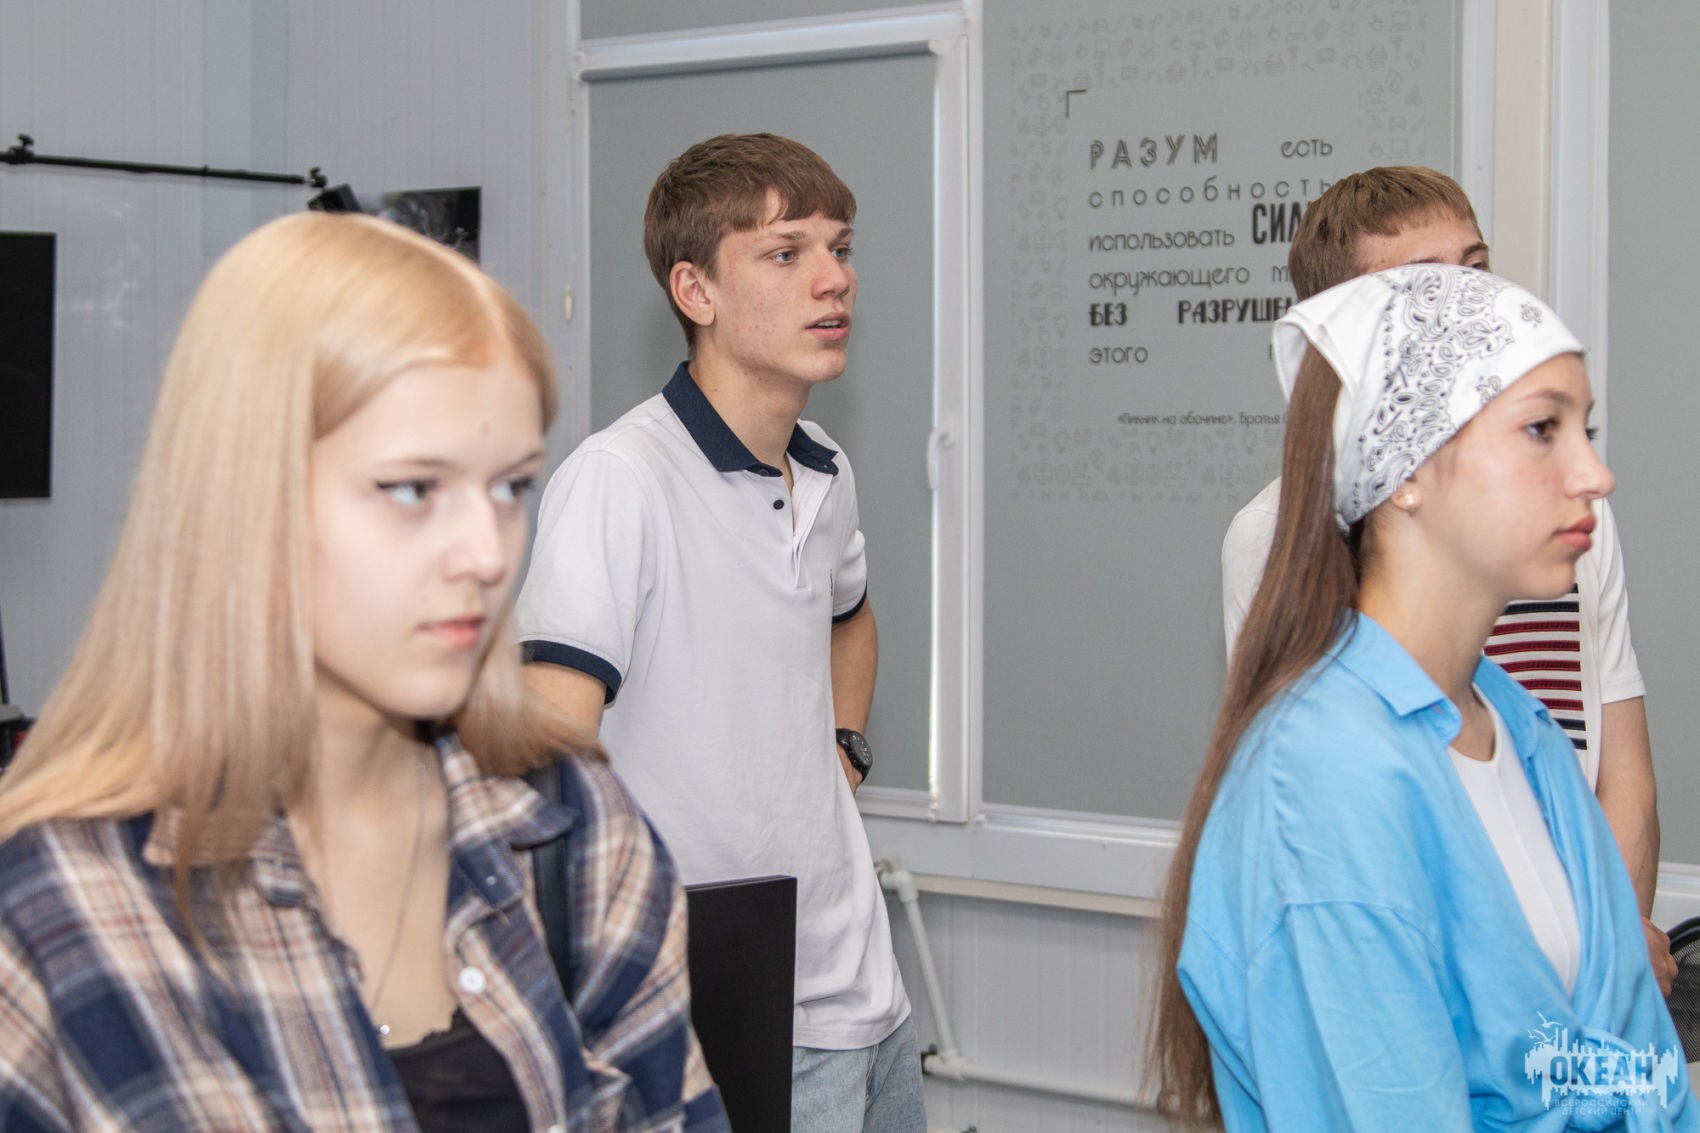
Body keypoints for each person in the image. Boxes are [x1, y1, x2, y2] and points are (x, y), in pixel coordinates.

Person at [0, 212, 727, 1132]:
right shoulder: (59, 907)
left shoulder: (571, 828)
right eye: (413, 488)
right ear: (243, 496)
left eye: (510, 486)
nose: (487, 552)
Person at [1153, 264, 1693, 1129]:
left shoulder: (1522, 729)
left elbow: (1640, 1068)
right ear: (1403, 469)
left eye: (1585, 429)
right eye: (1543, 429)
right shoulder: (1322, 771)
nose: (1595, 474)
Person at [515, 134, 923, 1132]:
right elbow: (546, 750)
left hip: (866, 990)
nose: (834, 279)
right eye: (785, 253)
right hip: (721, 1010)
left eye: (839, 247)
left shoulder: (824, 465)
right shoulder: (620, 480)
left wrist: (842, 749)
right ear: (693, 290)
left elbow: (851, 617)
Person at [1219, 167, 1669, 990]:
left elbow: (1620, 775)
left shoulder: (1521, 717)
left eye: (1477, 268)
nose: (1474, 302)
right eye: (1430, 284)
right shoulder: (1279, 558)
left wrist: (1605, 961)